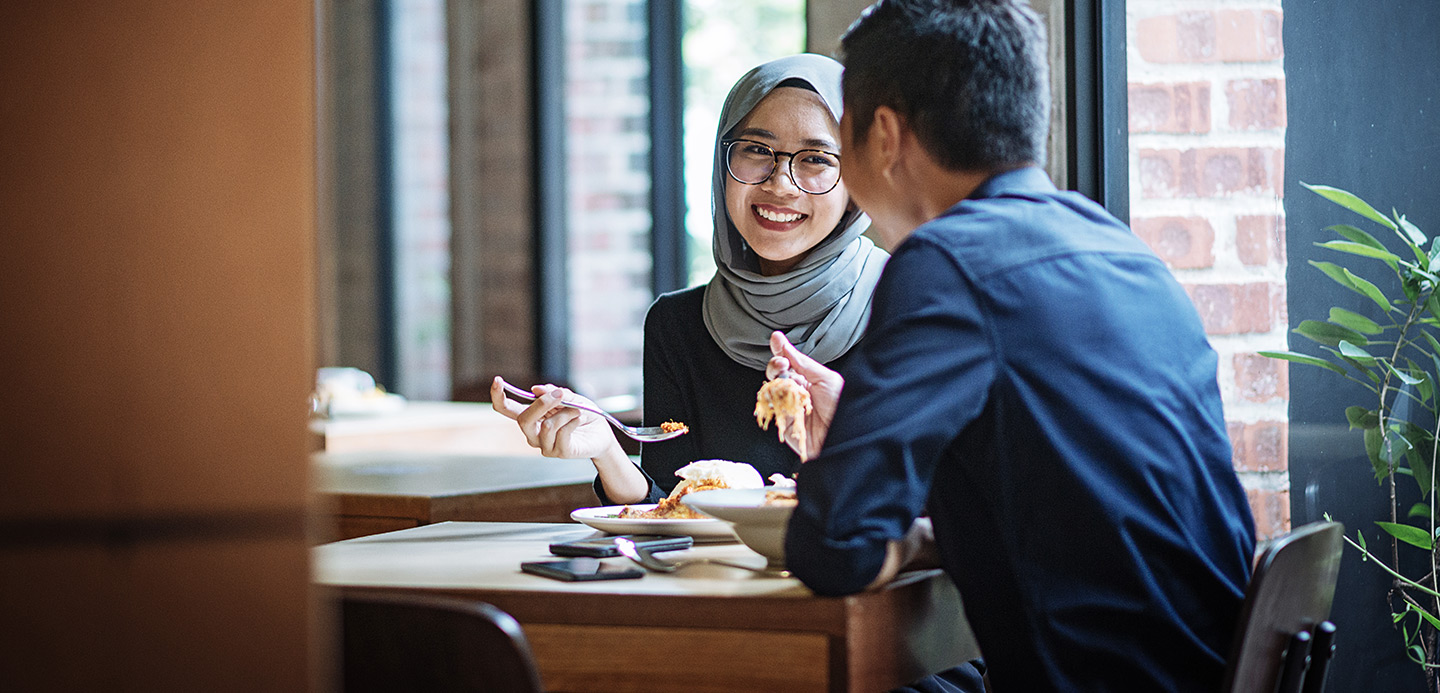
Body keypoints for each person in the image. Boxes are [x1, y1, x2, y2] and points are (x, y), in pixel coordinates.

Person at [765, 1, 1258, 691]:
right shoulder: (1121, 251)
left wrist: (888, 529)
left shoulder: (947, 261)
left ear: (884, 135)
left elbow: (831, 547)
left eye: (840, 134)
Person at [490, 54, 888, 506]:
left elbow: (936, 508)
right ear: (722, 162)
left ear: (856, 181)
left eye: (816, 158)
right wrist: (606, 452)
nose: (781, 184)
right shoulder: (678, 325)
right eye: (757, 150)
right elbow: (672, 510)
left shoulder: (906, 308)